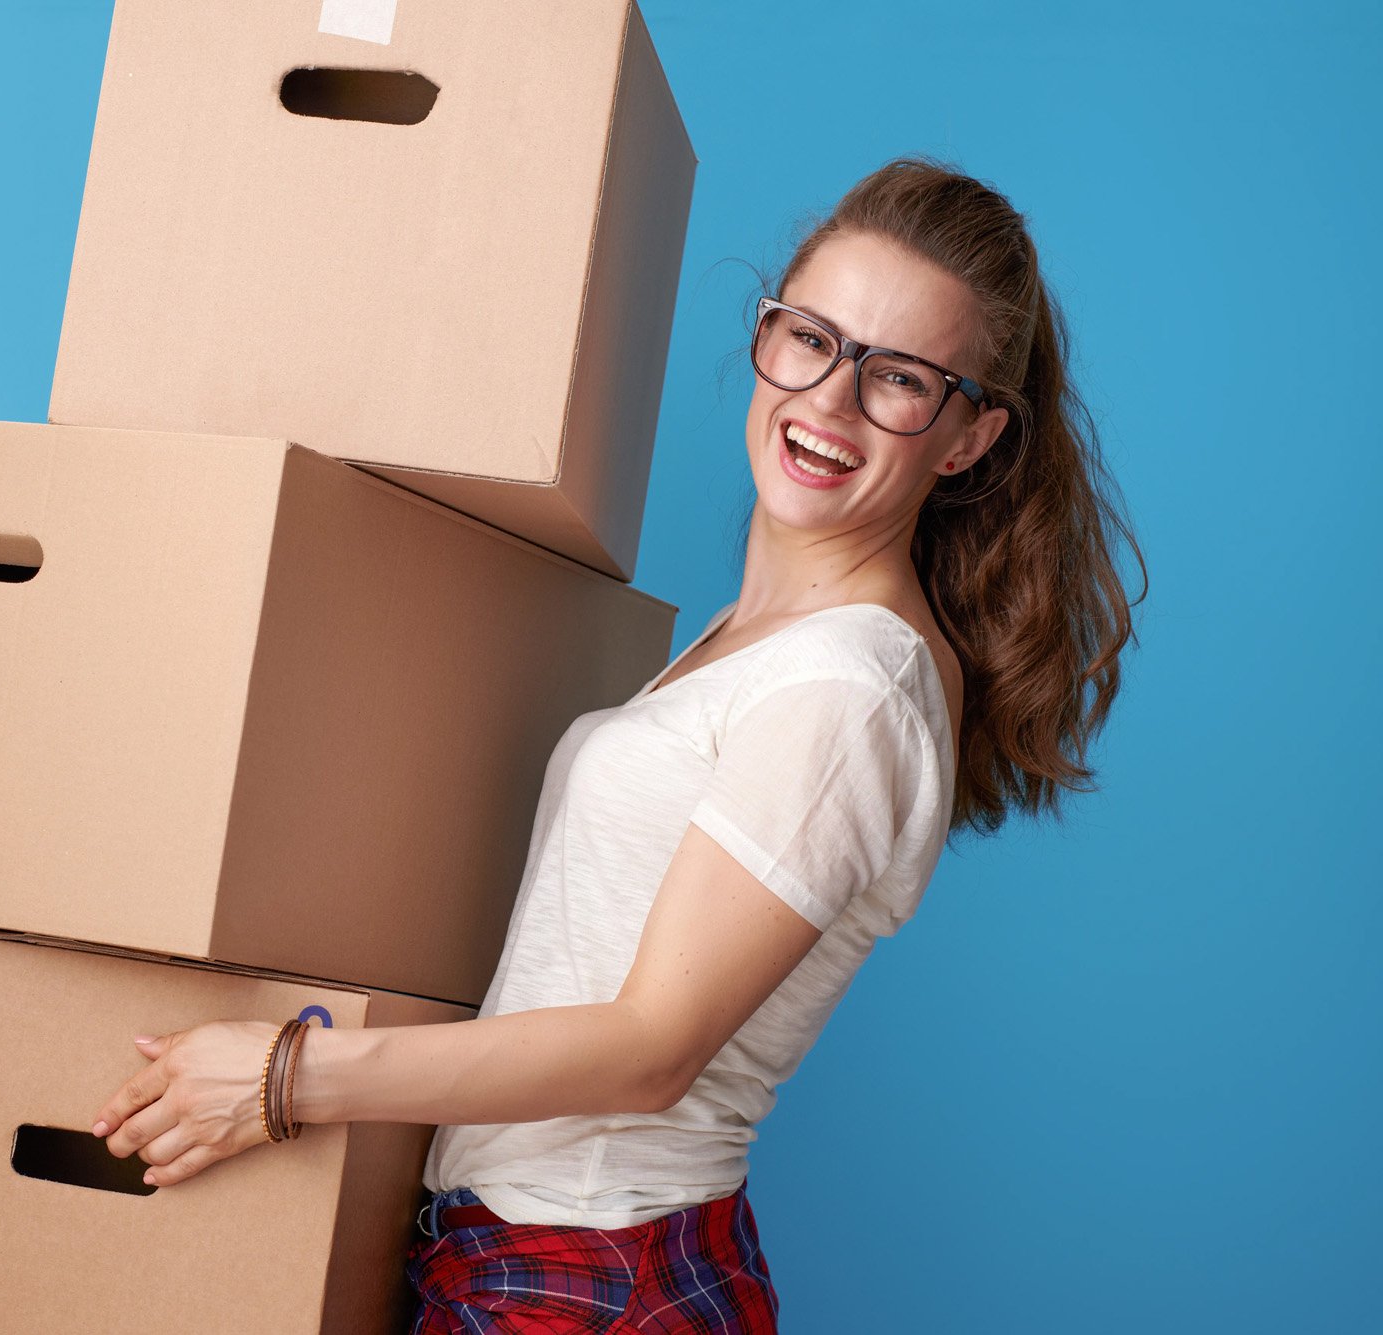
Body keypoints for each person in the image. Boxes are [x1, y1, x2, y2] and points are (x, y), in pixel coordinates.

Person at [87, 155, 1145, 1331]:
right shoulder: (755, 640)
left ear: (965, 438)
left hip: (591, 1272)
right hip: (541, 1253)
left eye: (896, 378)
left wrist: (288, 1077)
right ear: (767, 334)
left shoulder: (847, 685)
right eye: (811, 339)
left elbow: (650, 1050)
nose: (828, 404)